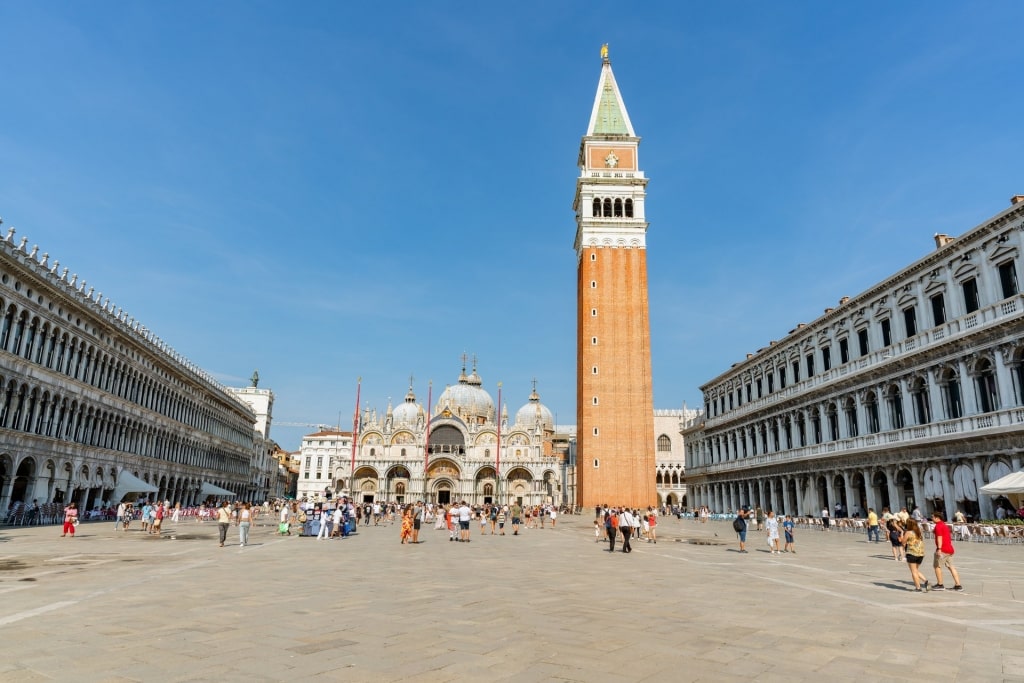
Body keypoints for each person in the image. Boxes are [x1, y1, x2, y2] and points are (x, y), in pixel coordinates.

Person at [931, 511, 963, 591]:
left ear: (937, 518)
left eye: (932, 517)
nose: (931, 518)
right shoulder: (944, 525)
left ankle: (940, 584)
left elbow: (939, 538)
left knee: (937, 566)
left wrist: (939, 549)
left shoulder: (938, 526)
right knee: (951, 567)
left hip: (943, 550)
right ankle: (958, 585)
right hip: (949, 549)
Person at [900, 518, 929, 592]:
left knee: (913, 571)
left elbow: (903, 542)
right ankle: (925, 581)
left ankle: (918, 588)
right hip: (920, 553)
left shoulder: (908, 532)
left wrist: (901, 537)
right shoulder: (919, 531)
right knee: (915, 570)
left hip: (912, 553)